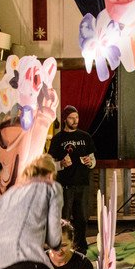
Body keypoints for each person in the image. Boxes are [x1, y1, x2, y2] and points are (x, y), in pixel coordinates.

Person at [48, 105, 96, 253]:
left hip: (82, 183)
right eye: (71, 118)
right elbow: (49, 164)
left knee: (82, 218)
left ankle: (81, 246)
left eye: (77, 117)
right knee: (64, 218)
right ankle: (63, 246)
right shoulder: (58, 139)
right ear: (65, 119)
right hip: (65, 185)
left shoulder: (85, 137)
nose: (75, 121)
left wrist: (90, 162)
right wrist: (61, 164)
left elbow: (93, 159)